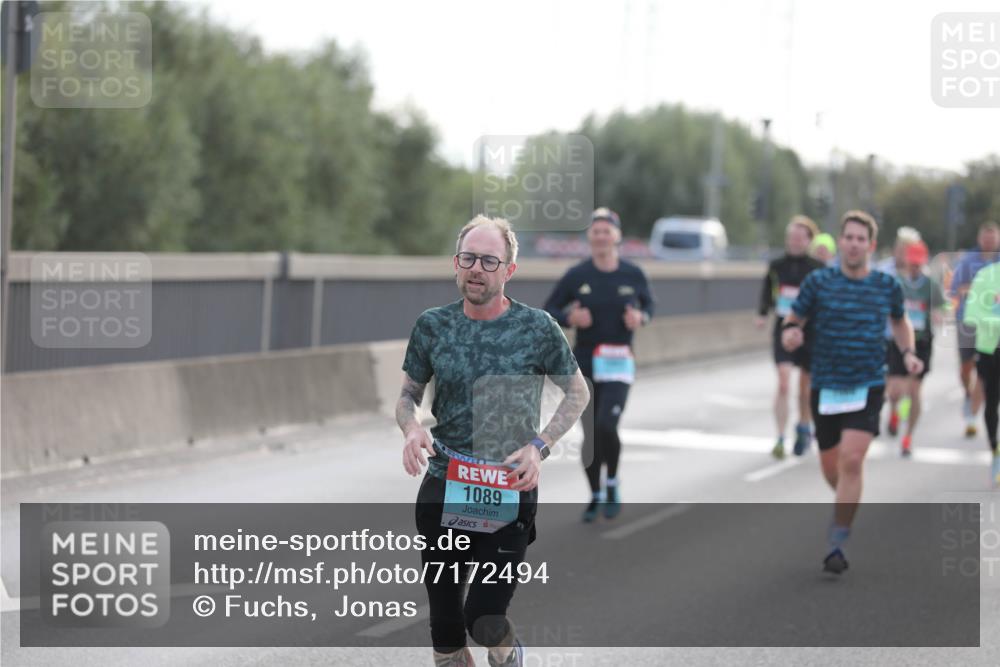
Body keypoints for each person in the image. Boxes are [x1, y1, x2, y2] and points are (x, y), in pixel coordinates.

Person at [397, 215, 590, 667]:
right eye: (468, 258)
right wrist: (411, 427)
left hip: (509, 487)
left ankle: (507, 655)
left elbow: (579, 391)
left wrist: (539, 446)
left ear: (509, 271)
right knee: (445, 634)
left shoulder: (537, 327)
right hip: (446, 482)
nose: (476, 268)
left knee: (483, 617)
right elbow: (408, 394)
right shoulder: (433, 326)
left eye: (489, 260)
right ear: (456, 263)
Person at [782, 210, 922, 574]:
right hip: (826, 384)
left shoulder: (885, 285)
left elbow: (900, 320)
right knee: (832, 467)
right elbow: (793, 319)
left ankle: (838, 539)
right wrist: (791, 334)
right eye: (849, 237)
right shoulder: (818, 282)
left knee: (852, 460)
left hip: (867, 384)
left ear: (871, 245)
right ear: (840, 241)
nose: (855, 244)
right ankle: (845, 500)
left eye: (862, 239)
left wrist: (907, 352)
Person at [543, 207, 654, 522]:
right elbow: (550, 308)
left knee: (608, 425)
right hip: (586, 363)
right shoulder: (578, 275)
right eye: (596, 230)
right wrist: (570, 318)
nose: (602, 236)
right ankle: (595, 495)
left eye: (607, 230)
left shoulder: (633, 274)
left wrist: (640, 318)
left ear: (617, 236)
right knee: (591, 435)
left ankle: (613, 482)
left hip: (619, 361)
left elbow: (650, 306)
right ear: (590, 237)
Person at [756, 215, 825, 459]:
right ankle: (780, 437)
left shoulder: (817, 269)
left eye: (799, 238)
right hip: (784, 328)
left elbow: (824, 300)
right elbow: (767, 291)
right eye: (791, 238)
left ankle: (803, 426)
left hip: (811, 332)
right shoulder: (777, 266)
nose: (794, 242)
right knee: (784, 383)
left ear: (808, 240)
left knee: (805, 389)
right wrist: (763, 314)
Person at [885, 240, 946, 456]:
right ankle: (893, 411)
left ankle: (908, 437)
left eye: (918, 264)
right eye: (912, 264)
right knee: (894, 390)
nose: (915, 268)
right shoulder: (896, 282)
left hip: (921, 342)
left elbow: (942, 306)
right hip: (897, 340)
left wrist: (938, 314)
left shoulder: (930, 284)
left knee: (914, 390)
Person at [949, 222, 1000, 438]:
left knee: (983, 372)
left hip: (992, 327)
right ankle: (969, 395)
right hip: (968, 321)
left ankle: (973, 415)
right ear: (980, 239)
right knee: (966, 367)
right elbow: (957, 289)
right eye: (985, 238)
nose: (989, 241)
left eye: (993, 238)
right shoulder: (968, 260)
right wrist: (984, 289)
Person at [876, 227, 922, 436]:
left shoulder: (921, 275)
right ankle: (894, 409)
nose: (902, 253)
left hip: (914, 338)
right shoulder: (883, 271)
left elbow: (933, 303)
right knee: (891, 387)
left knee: (909, 388)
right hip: (885, 335)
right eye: (899, 248)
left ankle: (899, 417)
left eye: (907, 249)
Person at [961, 255, 1000, 487]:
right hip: (990, 350)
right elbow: (972, 314)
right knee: (991, 403)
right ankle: (995, 450)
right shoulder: (987, 275)